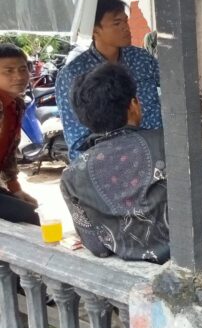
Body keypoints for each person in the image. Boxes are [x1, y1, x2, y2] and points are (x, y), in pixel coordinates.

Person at [60, 63, 170, 263]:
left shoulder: (72, 175)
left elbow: (97, 247)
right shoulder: (169, 144)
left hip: (124, 277)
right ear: (134, 105)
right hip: (187, 266)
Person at [56, 0, 162, 160]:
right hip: (111, 162)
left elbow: (174, 91)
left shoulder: (142, 59)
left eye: (125, 21)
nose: (126, 28)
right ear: (94, 30)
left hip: (157, 154)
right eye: (117, 23)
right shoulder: (73, 74)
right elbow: (77, 141)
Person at [0, 44, 39, 225]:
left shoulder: (17, 104)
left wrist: (15, 189)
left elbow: (8, 154)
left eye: (23, 69)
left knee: (31, 211)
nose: (19, 76)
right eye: (9, 71)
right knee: (28, 216)